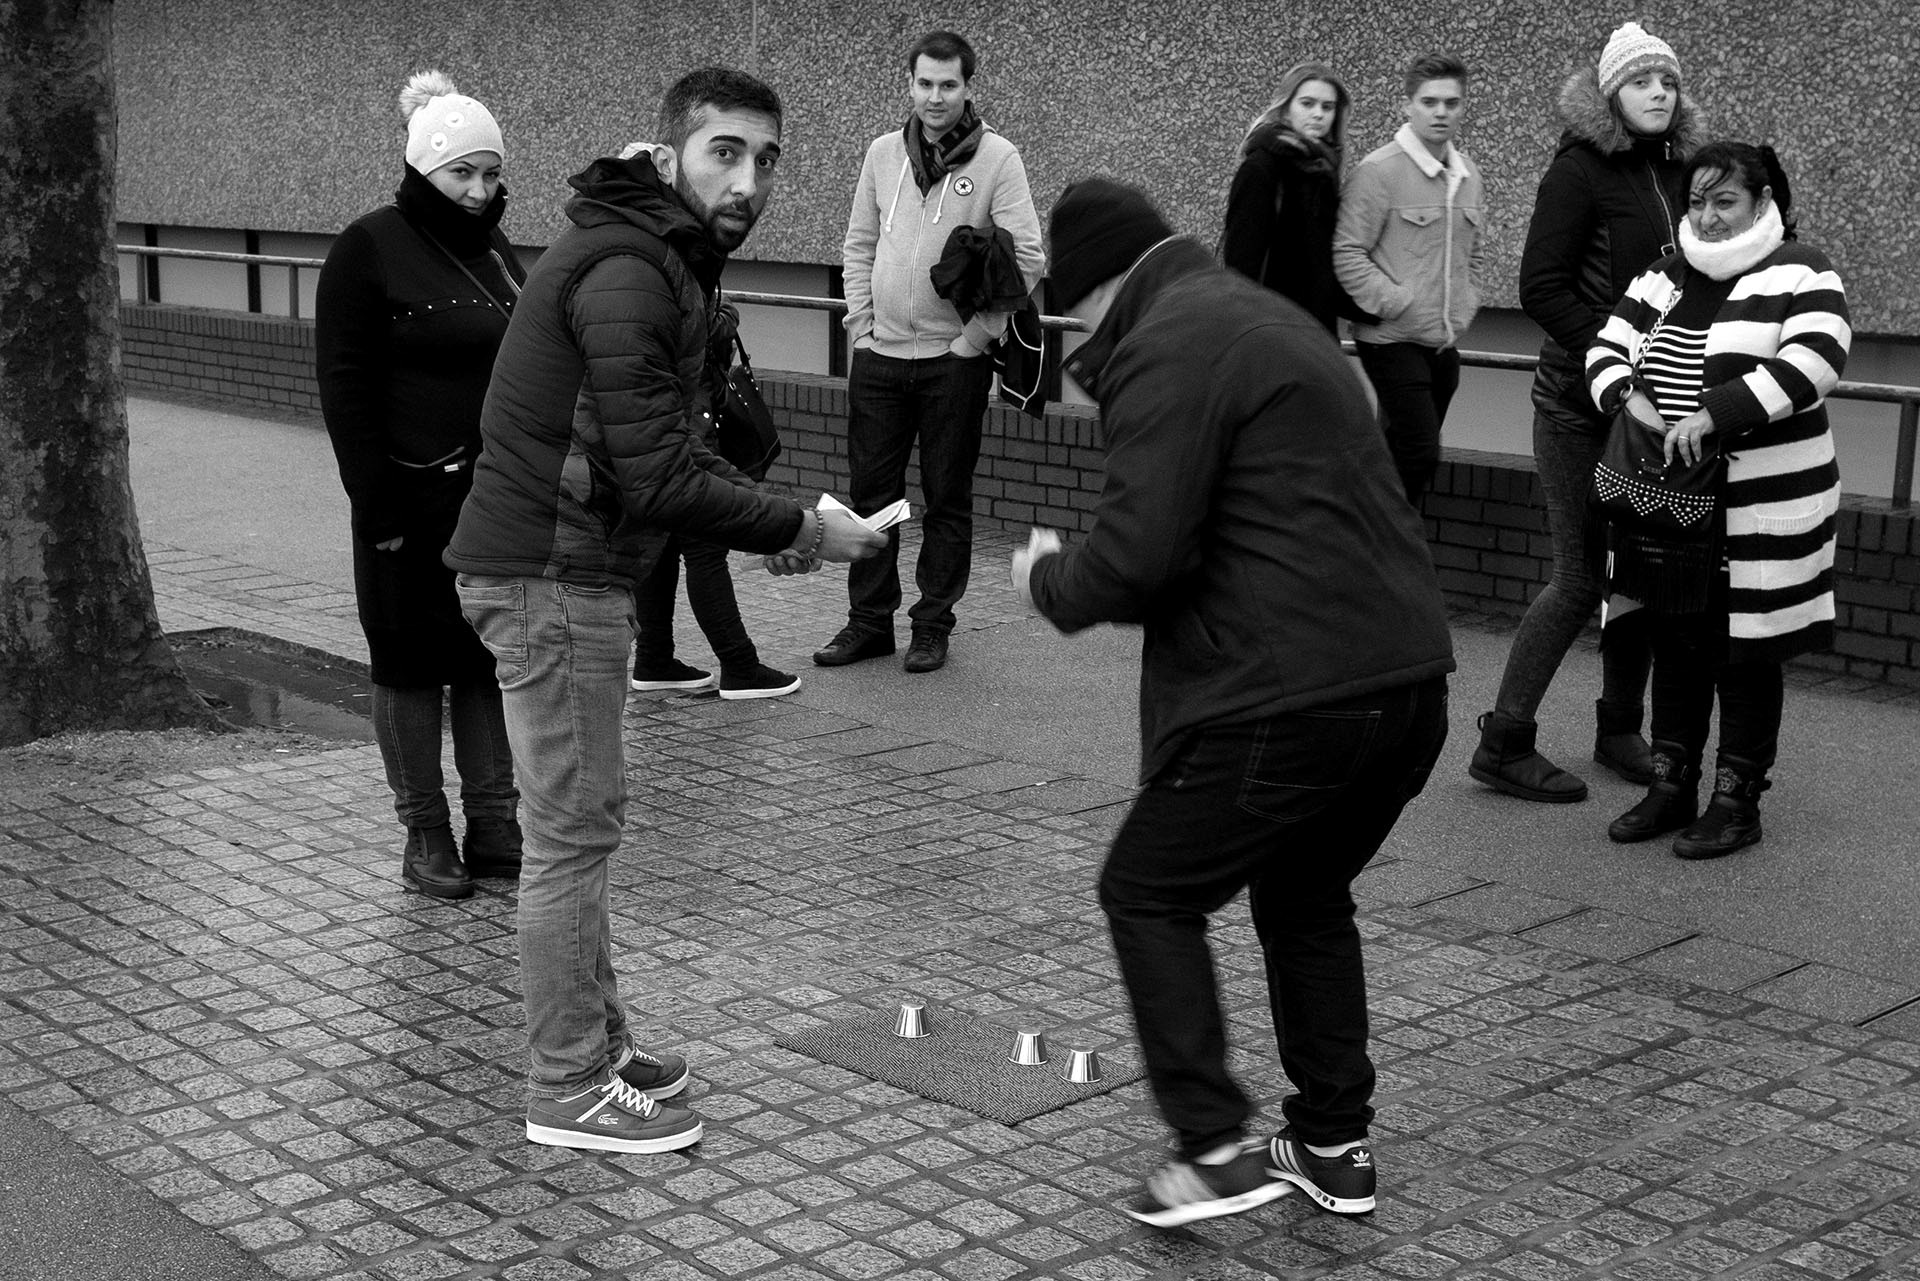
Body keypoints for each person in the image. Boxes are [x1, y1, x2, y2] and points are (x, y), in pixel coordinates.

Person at [445, 67, 884, 1156]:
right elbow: (657, 473)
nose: (749, 180)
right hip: (553, 576)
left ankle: (600, 1050)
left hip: (571, 569)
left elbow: (666, 453)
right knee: (569, 836)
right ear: (673, 151)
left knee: (583, 827)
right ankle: (564, 1088)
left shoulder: (649, 254)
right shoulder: (635, 266)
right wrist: (800, 531)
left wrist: (775, 527)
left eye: (767, 159)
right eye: (726, 153)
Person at [1017, 178, 1454, 1227]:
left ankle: (1212, 1146)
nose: (1078, 330)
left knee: (1148, 889)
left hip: (1284, 694)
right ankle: (1334, 1143)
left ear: (1101, 282)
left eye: (1074, 307)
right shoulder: (1266, 317)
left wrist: (1047, 575)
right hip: (1402, 684)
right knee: (1305, 896)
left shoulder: (1171, 337)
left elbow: (1140, 556)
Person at [1585, 142, 1848, 859]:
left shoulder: (1803, 268)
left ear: (1763, 203)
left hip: (1757, 506)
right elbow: (1605, 348)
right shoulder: (1667, 274)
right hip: (1670, 507)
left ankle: (1737, 802)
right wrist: (1629, 394)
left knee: (1746, 654)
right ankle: (1671, 786)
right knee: (1676, 644)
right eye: (1697, 200)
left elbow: (1817, 358)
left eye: (1725, 201)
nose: (1708, 215)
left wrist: (1717, 412)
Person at [1470, 22, 1699, 805]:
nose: (1658, 94)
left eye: (1667, 81)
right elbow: (1542, 287)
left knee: (1635, 575)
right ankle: (1503, 743)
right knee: (1576, 580)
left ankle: (1617, 729)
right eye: (1641, 83)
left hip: (1655, 410)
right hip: (1576, 404)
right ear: (1610, 96)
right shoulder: (1578, 171)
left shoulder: (1678, 172)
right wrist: (1616, 356)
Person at [316, 71, 525, 901]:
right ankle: (425, 831)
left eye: (489, 173)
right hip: (405, 501)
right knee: (407, 668)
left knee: (481, 662)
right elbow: (345, 387)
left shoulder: (500, 253)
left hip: (491, 498)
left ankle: (495, 822)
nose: (478, 191)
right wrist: (376, 505)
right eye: (460, 174)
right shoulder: (366, 247)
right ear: (422, 169)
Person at [813, 30, 1044, 675]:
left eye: (948, 85)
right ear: (909, 85)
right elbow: (858, 246)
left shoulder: (998, 159)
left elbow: (1027, 258)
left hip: (953, 362)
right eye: (925, 84)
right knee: (871, 496)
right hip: (880, 357)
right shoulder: (883, 153)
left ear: (968, 87)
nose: (935, 97)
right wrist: (859, 330)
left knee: (947, 497)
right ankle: (868, 622)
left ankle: (933, 624)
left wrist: (976, 339)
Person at [629, 299, 802, 702]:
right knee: (706, 550)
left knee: (665, 543)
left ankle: (654, 659)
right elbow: (705, 327)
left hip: (666, 419)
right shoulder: (668, 270)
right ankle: (740, 666)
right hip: (687, 422)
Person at [1333, 51, 1485, 506]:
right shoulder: (1378, 171)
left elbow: (1474, 253)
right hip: (1391, 339)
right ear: (1408, 106)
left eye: (1451, 103)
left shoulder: (1470, 175)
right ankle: (1392, 547)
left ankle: (1373, 544)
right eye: (1429, 101)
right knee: (1418, 452)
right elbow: (1345, 250)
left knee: (1404, 457)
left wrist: (1466, 304)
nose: (1441, 112)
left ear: (1463, 107)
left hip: (1442, 343)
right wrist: (1395, 302)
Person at [1219, 61, 1360, 333]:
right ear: (1285, 108)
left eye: (1327, 107)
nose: (1318, 114)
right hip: (1272, 325)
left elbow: (1321, 260)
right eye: (1307, 104)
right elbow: (1241, 261)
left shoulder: (1323, 168)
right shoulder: (1261, 167)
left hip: (1315, 324)